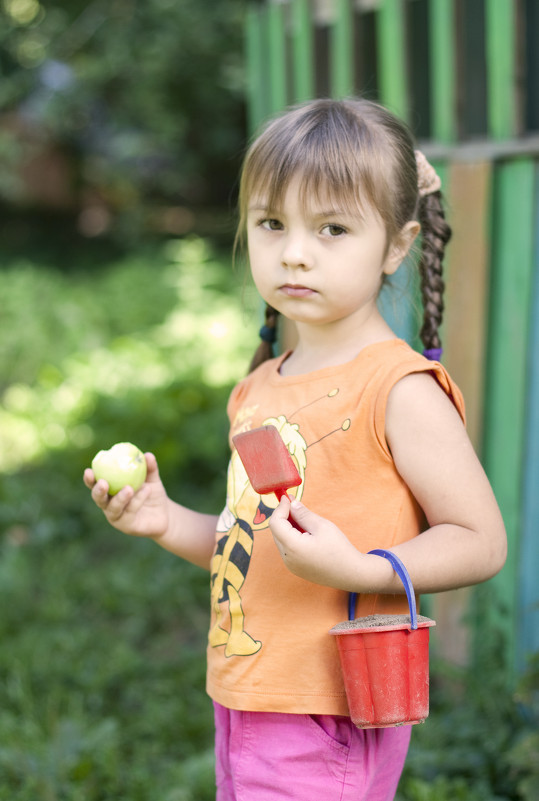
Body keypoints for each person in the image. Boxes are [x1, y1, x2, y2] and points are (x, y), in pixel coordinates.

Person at [84, 98, 507, 801]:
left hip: (328, 707)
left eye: (332, 227)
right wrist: (163, 521)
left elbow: (479, 540)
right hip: (248, 695)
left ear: (396, 246)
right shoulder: (258, 389)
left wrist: (359, 567)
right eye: (271, 222)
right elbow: (248, 545)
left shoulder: (396, 389)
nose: (294, 251)